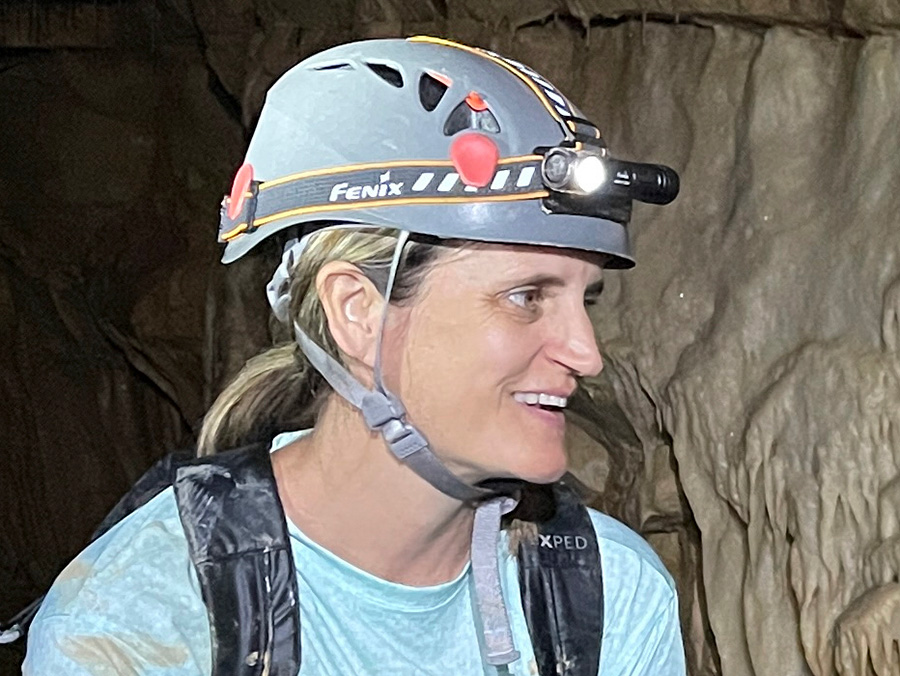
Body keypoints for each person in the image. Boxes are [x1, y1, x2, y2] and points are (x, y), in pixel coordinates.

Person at [19, 36, 685, 675]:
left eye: (586, 301)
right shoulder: (142, 622)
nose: (586, 354)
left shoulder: (606, 598)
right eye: (527, 297)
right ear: (357, 311)